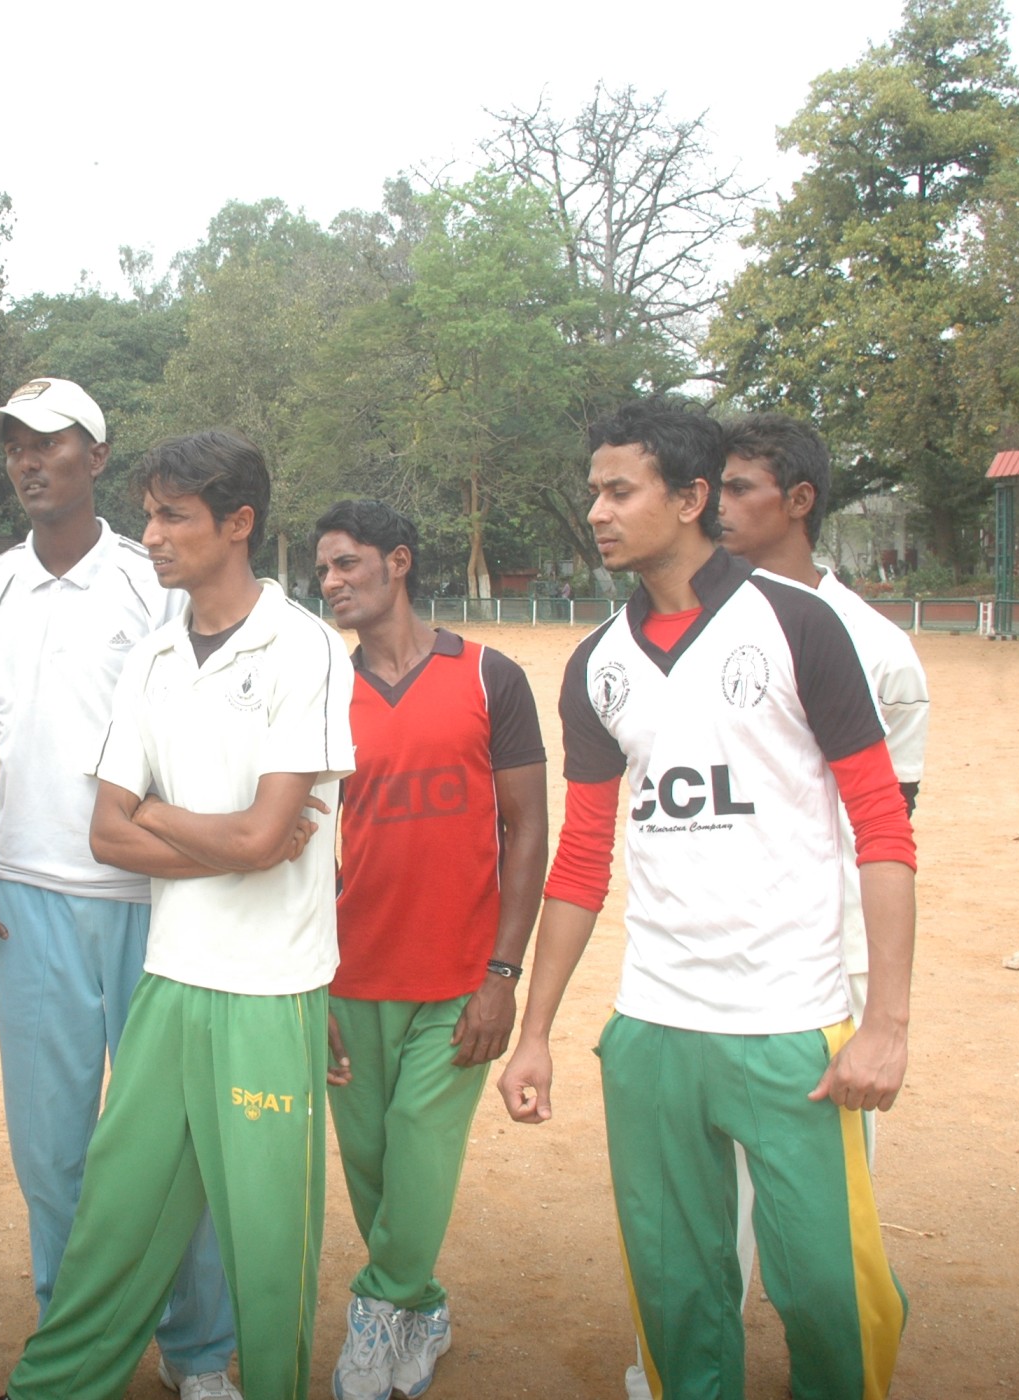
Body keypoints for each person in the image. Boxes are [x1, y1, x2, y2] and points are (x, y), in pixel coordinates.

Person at [494, 399, 919, 1400]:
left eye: (617, 491)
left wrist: (885, 1026)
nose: (594, 512)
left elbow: (881, 828)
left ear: (689, 499)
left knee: (827, 1292)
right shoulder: (595, 663)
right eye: (592, 491)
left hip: (789, 1023)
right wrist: (535, 1030)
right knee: (677, 1293)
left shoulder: (798, 625)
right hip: (652, 1028)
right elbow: (582, 856)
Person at [3, 431, 355, 1400]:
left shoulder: (303, 647)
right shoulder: (152, 654)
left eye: (172, 516)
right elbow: (108, 835)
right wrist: (222, 836)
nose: (150, 535)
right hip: (168, 976)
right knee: (113, 1226)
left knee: (268, 1248)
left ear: (237, 523)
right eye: (148, 515)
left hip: (270, 991)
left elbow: (260, 835)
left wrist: (166, 815)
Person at [0, 379, 239, 1399]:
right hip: (27, 901)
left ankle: (198, 1350)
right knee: (51, 1150)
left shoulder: (152, 581)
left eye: (50, 443)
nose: (29, 461)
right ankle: (72, 1350)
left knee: (172, 1141)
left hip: (155, 899)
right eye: (14, 446)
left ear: (97, 456)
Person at [313, 499, 547, 1400]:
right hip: (349, 976)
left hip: (458, 977)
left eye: (347, 563)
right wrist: (310, 983)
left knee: (418, 1145)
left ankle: (377, 1309)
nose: (331, 582)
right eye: (323, 570)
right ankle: (422, 1307)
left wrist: (502, 974)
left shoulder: (490, 677)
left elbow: (527, 830)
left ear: (399, 561)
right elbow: (302, 848)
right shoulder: (321, 692)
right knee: (371, 1166)